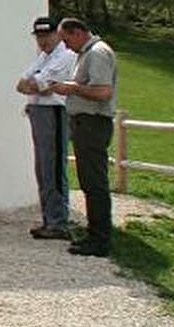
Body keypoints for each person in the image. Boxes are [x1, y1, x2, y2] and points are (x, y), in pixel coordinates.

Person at [53, 17, 119, 257]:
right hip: (84, 123)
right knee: (88, 181)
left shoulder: (98, 54)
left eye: (66, 39)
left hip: (93, 122)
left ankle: (100, 239)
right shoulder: (86, 54)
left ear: (78, 32)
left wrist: (72, 88)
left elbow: (103, 91)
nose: (66, 46)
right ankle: (94, 233)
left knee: (95, 182)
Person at [14, 16, 77, 239]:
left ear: (57, 35)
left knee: (53, 166)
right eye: (39, 36)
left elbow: (42, 85)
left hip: (53, 112)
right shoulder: (43, 57)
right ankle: (49, 218)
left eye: (47, 36)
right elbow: (22, 83)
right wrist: (36, 86)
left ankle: (59, 220)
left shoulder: (66, 56)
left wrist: (36, 86)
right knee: (42, 168)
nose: (43, 41)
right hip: (38, 112)